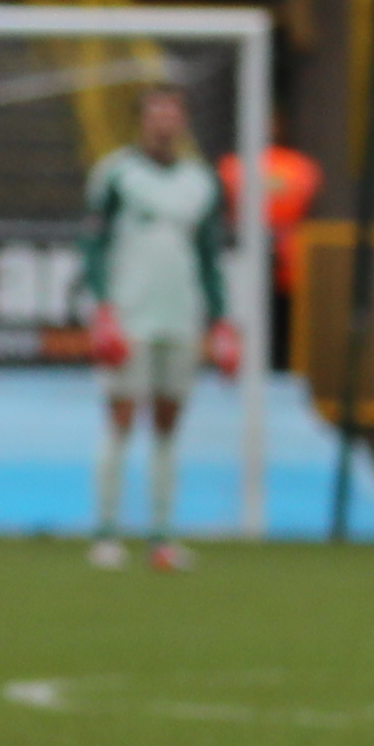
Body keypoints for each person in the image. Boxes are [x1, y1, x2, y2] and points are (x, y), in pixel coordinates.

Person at [75, 77, 251, 565]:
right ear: (142, 119)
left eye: (172, 113)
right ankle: (106, 533)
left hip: (180, 318)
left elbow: (208, 257)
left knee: (169, 424)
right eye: (156, 112)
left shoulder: (201, 181)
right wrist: (103, 308)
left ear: (183, 121)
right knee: (121, 419)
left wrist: (221, 321)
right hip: (129, 316)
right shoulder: (115, 174)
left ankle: (161, 535)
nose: (164, 121)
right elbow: (93, 244)